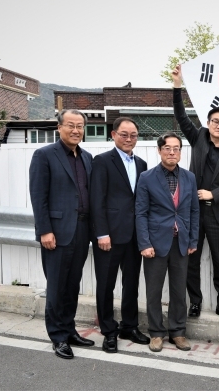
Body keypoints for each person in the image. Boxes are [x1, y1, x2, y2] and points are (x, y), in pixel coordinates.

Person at [171, 64, 219, 321]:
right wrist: (177, 86)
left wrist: (213, 194)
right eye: (216, 121)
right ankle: (195, 302)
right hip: (192, 212)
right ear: (208, 122)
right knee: (191, 259)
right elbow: (181, 117)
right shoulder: (199, 137)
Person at [29, 109, 95, 359]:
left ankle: (69, 330)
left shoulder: (87, 157)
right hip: (56, 232)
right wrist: (44, 230)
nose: (76, 130)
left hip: (81, 230)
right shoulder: (44, 155)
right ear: (59, 127)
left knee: (72, 285)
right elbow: (38, 196)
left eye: (80, 126)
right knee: (56, 286)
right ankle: (57, 337)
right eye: (71, 125)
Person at [135, 132, 199, 353]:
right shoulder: (146, 177)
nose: (172, 152)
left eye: (176, 148)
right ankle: (156, 333)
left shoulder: (189, 177)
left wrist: (193, 239)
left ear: (181, 152)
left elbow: (193, 211)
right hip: (155, 242)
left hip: (180, 242)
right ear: (159, 150)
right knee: (153, 290)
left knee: (179, 291)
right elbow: (140, 213)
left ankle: (178, 331)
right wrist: (144, 243)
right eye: (167, 148)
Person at [90, 117, 148, 353]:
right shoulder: (102, 161)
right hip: (109, 236)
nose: (128, 139)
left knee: (131, 284)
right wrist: (101, 233)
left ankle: (129, 326)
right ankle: (108, 330)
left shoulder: (142, 164)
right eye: (124, 134)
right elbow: (97, 200)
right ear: (113, 135)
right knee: (106, 284)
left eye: (133, 135)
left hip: (135, 236)